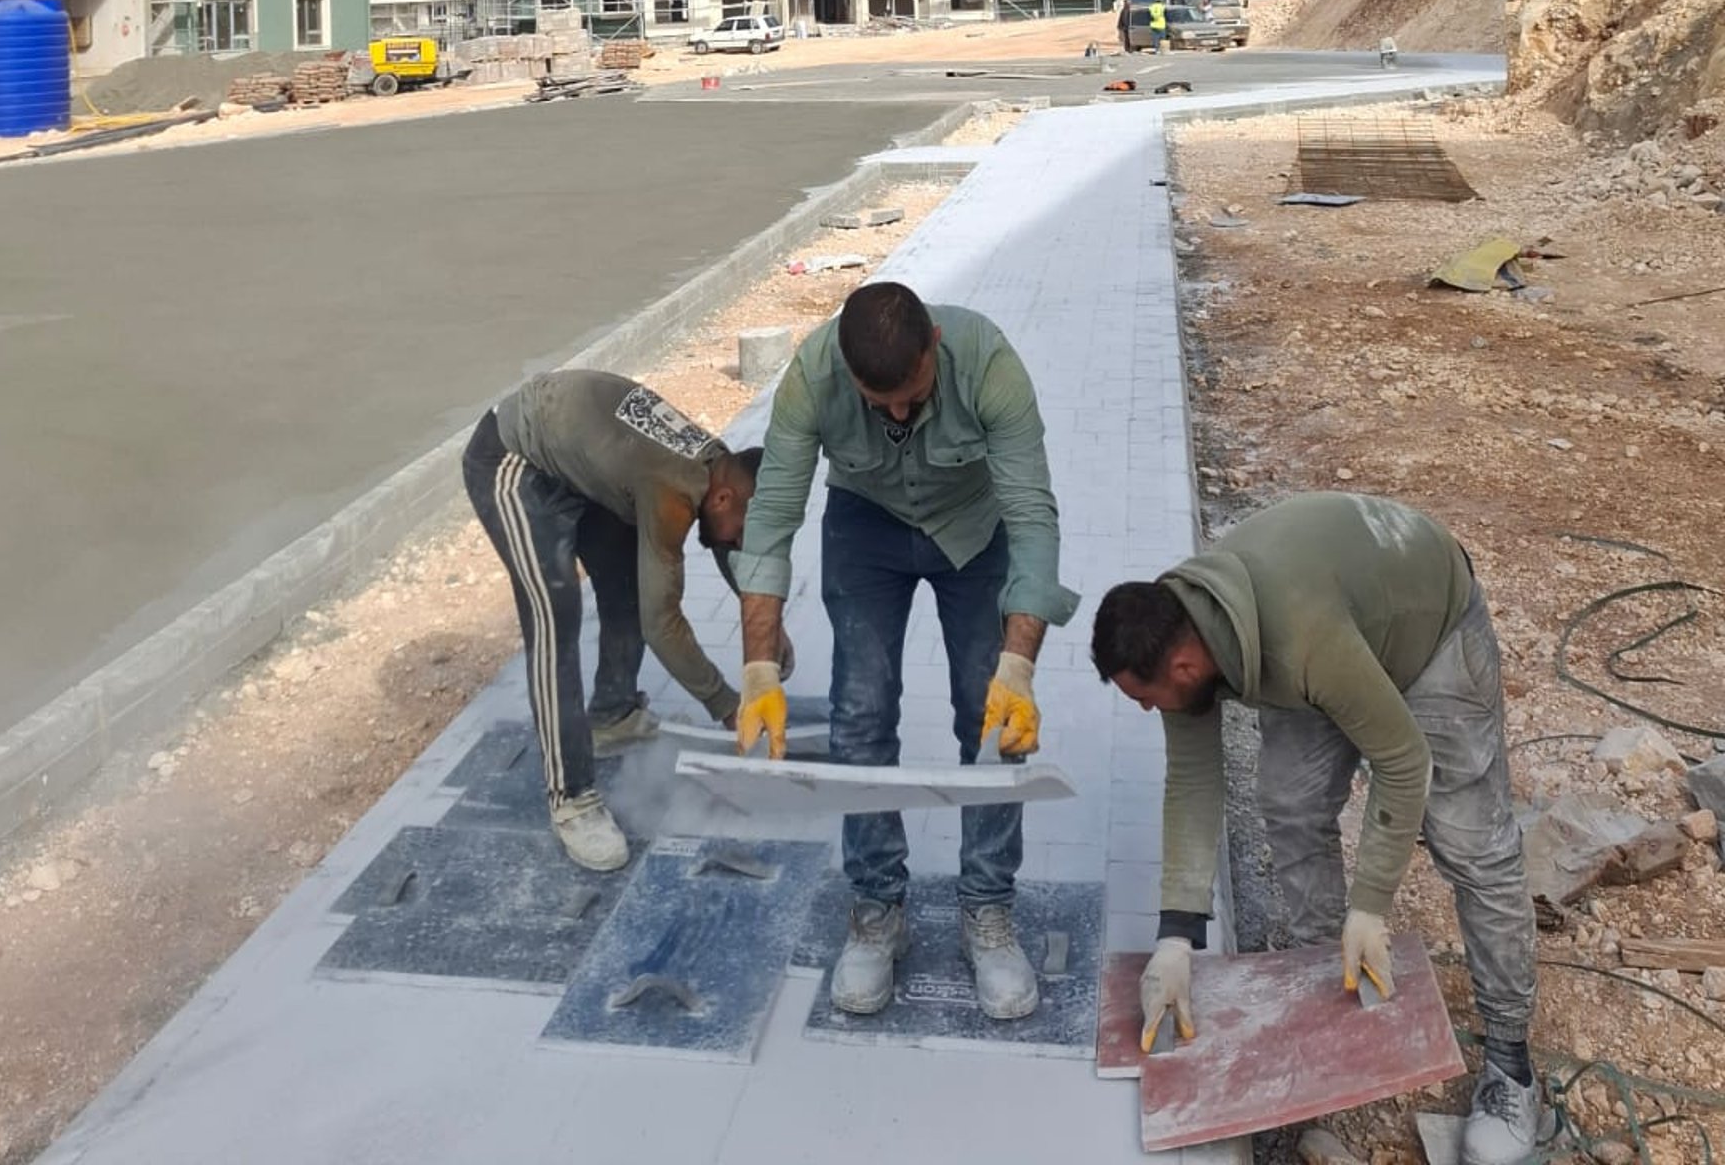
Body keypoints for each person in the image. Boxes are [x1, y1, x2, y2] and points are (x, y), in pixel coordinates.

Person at [1091, 493, 1542, 1165]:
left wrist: (1370, 907)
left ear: (1182, 668)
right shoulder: (1178, 627)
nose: (1144, 708)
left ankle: (1512, 1065)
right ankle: (1323, 989)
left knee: (1471, 844)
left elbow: (1402, 758)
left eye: (1142, 697)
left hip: (1427, 629)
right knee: (1290, 802)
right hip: (1337, 630)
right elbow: (1191, 783)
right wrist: (1176, 938)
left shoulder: (1300, 640)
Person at [729, 279, 1077, 1022]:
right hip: (867, 526)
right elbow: (773, 517)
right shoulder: (812, 376)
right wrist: (759, 664)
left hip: (975, 532)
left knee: (989, 717)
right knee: (860, 716)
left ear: (934, 349)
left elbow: (1034, 518)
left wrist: (1018, 667)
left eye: (911, 396)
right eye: (875, 400)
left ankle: (987, 908)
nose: (895, 414)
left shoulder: (987, 364)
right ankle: (876, 906)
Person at [462, 369, 763, 872]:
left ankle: (612, 717)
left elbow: (727, 544)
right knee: (554, 617)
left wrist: (766, 622)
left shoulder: (717, 468)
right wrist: (725, 703)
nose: (737, 543)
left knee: (624, 584)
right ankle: (572, 798)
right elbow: (661, 620)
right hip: (515, 464)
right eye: (742, 533)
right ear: (723, 499)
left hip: (582, 467)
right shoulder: (671, 490)